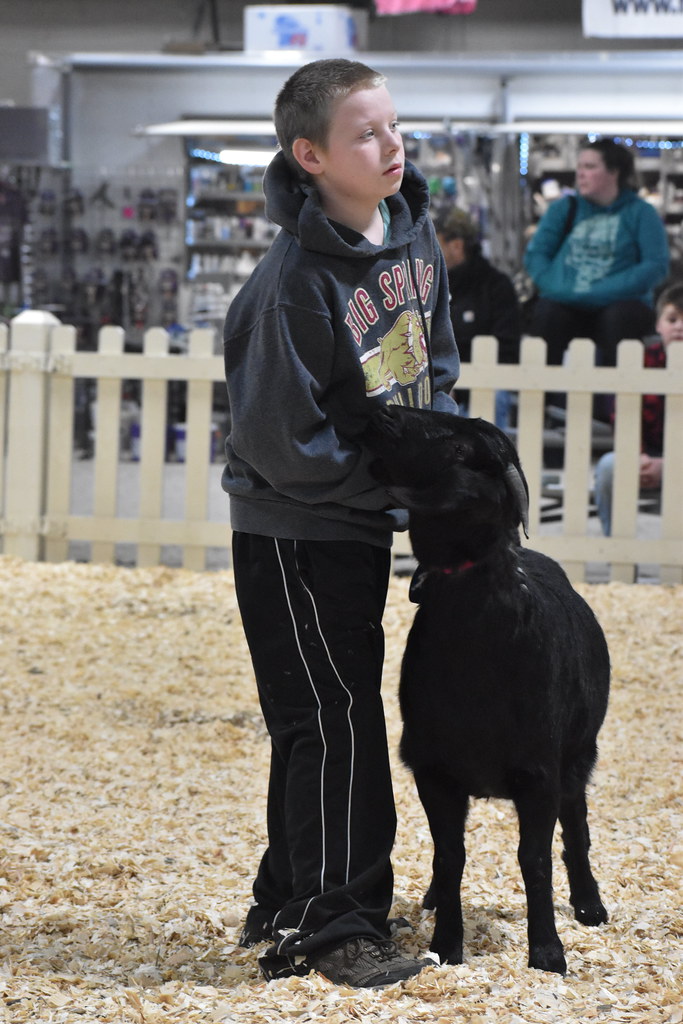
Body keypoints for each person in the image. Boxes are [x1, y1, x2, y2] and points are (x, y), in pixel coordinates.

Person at [221, 58, 459, 988]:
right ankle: (332, 927)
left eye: (393, 124)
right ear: (310, 156)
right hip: (295, 527)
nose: (391, 145)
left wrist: (432, 472)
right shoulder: (288, 285)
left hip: (358, 518)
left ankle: (287, 897)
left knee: (325, 716)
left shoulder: (413, 238)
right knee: (335, 723)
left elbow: (431, 366)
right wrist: (389, 492)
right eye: (366, 134)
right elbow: (280, 443)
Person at [524, 139, 669, 376]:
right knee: (548, 314)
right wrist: (563, 289)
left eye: (590, 167)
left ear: (614, 172)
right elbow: (536, 256)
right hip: (565, 301)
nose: (581, 174)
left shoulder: (641, 213)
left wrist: (597, 291)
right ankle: (541, 392)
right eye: (580, 166)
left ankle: (617, 394)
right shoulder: (563, 209)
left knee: (620, 319)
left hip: (620, 306)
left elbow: (655, 265)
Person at [593, 282, 682, 536]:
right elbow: (622, 415)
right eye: (672, 319)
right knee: (608, 467)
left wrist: (670, 463)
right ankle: (614, 543)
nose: (679, 326)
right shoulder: (642, 360)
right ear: (658, 325)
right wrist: (639, 456)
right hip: (643, 453)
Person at [434, 206, 521, 428]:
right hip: (438, 385)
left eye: (435, 242)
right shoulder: (427, 284)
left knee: (493, 397)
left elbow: (506, 350)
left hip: (484, 386)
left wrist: (459, 387)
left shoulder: (496, 287)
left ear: (456, 245)